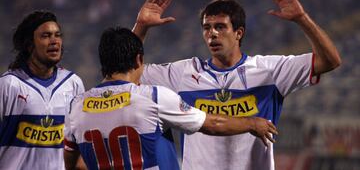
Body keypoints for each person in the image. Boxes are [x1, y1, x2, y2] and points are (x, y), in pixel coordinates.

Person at [132, 0, 341, 169]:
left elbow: (330, 60)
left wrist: (302, 19)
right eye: (207, 28)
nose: (212, 33)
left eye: (220, 27)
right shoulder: (183, 73)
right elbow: (128, 72)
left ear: (239, 32)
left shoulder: (269, 71)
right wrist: (141, 26)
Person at [63, 27, 278, 170]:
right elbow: (212, 123)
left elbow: (72, 163)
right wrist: (252, 123)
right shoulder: (152, 97)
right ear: (139, 60)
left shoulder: (77, 106)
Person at [0, 11, 85, 169]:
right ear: (29, 44)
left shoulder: (73, 83)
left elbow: (78, 144)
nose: (54, 41)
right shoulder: (9, 84)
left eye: (57, 35)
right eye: (45, 36)